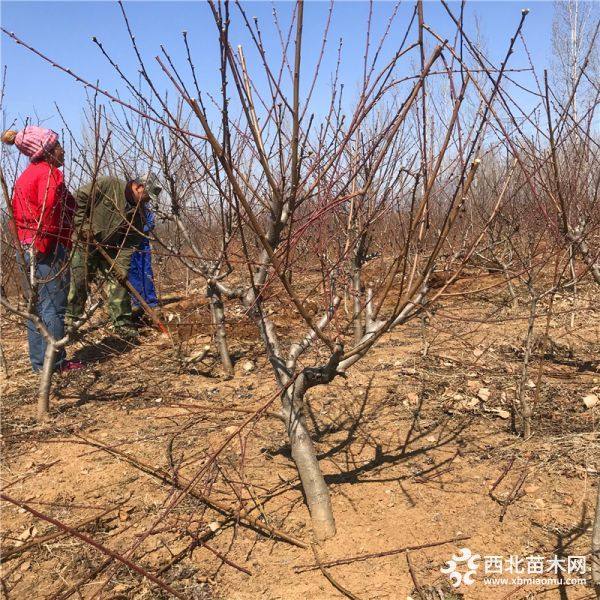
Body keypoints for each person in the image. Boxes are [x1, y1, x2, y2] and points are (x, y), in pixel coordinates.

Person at [2, 126, 83, 373]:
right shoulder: (49, 175)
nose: (63, 150)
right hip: (43, 247)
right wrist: (48, 246)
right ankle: (55, 364)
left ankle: (41, 364)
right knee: (54, 306)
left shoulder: (27, 175)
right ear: (47, 152)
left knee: (36, 307)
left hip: (25, 246)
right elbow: (48, 214)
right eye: (58, 146)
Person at [65, 172, 162, 341]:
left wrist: (122, 267)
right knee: (79, 282)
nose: (146, 202)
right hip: (84, 244)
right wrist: (82, 225)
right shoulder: (107, 184)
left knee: (119, 281)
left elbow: (130, 243)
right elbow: (78, 199)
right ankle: (70, 323)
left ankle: (122, 323)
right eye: (146, 197)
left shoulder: (138, 214)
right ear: (138, 187)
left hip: (109, 248)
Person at [128, 204, 159, 314]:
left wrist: (139, 230)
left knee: (146, 272)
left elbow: (150, 223)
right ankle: (137, 302)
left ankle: (151, 302)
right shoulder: (125, 206)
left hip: (143, 244)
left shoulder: (145, 208)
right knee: (133, 273)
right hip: (129, 245)